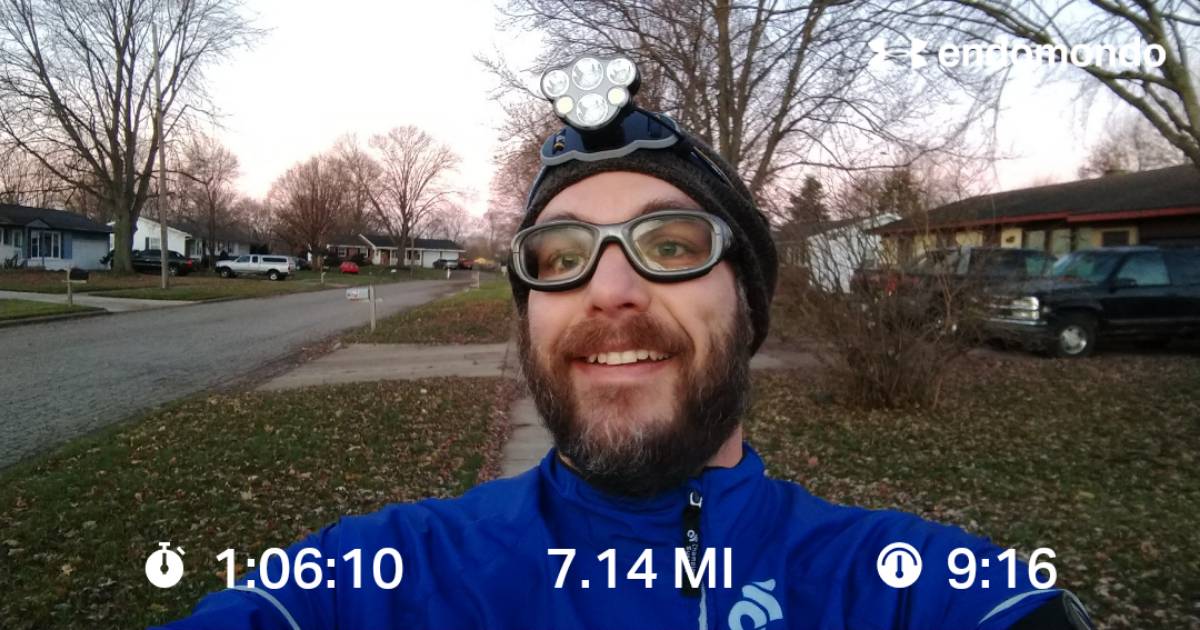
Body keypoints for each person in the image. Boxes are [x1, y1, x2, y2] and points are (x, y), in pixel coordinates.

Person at [155, 56, 1091, 630]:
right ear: (528, 316)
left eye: (671, 246)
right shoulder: (387, 577)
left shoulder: (902, 589)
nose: (608, 292)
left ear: (748, 303)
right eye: (559, 258)